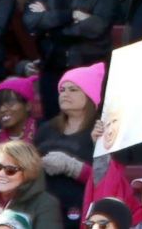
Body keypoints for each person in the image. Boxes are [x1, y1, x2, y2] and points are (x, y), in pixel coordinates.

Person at [34, 63, 102, 229]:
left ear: (90, 94)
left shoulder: (99, 130)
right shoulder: (46, 128)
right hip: (44, 209)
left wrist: (72, 167)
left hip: (79, 209)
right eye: (62, 90)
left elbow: (105, 178)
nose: (65, 94)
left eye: (73, 89)